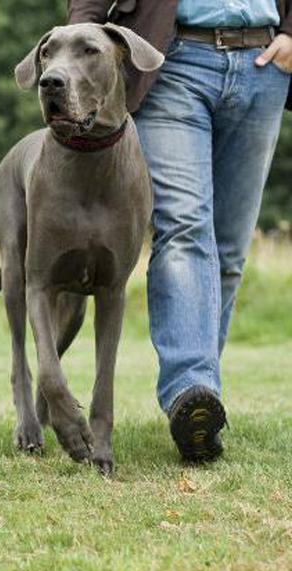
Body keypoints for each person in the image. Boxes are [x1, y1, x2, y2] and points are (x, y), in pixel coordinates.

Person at [68, 1, 292, 461]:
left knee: (229, 249)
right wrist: (76, 52)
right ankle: (191, 390)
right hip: (170, 61)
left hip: (263, 63)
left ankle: (201, 412)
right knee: (185, 228)